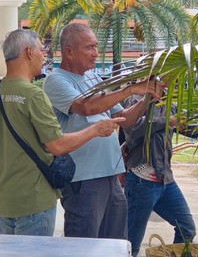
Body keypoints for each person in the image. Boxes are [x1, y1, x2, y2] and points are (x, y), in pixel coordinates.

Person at [0, 29, 125, 236]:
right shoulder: (33, 95)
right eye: (40, 49)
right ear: (29, 52)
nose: (43, 55)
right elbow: (57, 145)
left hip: (4, 200)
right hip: (34, 199)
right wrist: (96, 129)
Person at [43, 23, 163, 239]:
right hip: (83, 178)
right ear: (69, 52)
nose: (96, 53)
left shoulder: (92, 78)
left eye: (96, 46)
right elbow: (86, 107)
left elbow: (125, 119)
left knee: (114, 243)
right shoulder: (55, 80)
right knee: (83, 246)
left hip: (111, 174)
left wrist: (146, 97)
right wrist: (130, 88)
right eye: (89, 47)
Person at [120, 94, 196, 257]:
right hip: (141, 181)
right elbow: (133, 128)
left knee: (187, 229)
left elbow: (191, 127)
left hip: (166, 181)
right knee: (131, 243)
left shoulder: (171, 105)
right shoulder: (136, 101)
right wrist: (167, 121)